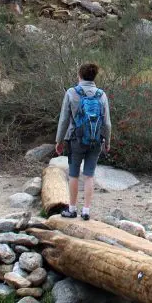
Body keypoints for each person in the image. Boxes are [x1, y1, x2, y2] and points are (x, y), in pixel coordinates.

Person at [55, 63, 112, 221]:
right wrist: (107, 141)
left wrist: (59, 140)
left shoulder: (71, 93)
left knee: (73, 175)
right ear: (94, 77)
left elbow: (64, 120)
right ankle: (86, 211)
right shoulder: (102, 95)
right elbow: (107, 123)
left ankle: (72, 209)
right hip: (95, 140)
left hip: (75, 139)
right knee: (89, 175)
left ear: (79, 75)